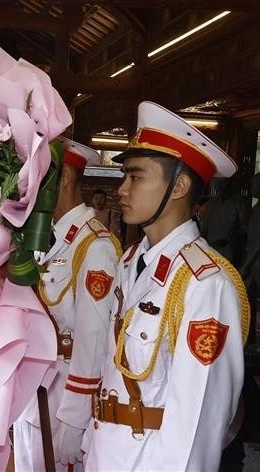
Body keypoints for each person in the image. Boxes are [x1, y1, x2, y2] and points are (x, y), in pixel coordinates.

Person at [84, 101, 248, 471]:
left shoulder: (206, 284)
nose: (122, 189)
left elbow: (200, 421)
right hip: (105, 453)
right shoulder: (132, 263)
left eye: (136, 177)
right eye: (124, 176)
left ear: (180, 186)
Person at [14, 138, 122, 471]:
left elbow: (93, 345)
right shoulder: (42, 235)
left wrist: (74, 424)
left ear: (64, 179)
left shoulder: (94, 247)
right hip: (32, 394)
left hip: (62, 403)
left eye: (38, 177)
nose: (27, 188)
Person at [200, 177, 249, 267]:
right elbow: (204, 229)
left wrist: (230, 239)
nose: (218, 186)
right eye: (216, 183)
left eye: (222, 183)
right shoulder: (211, 203)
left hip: (229, 250)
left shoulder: (238, 203)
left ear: (228, 184)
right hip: (211, 249)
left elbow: (245, 229)